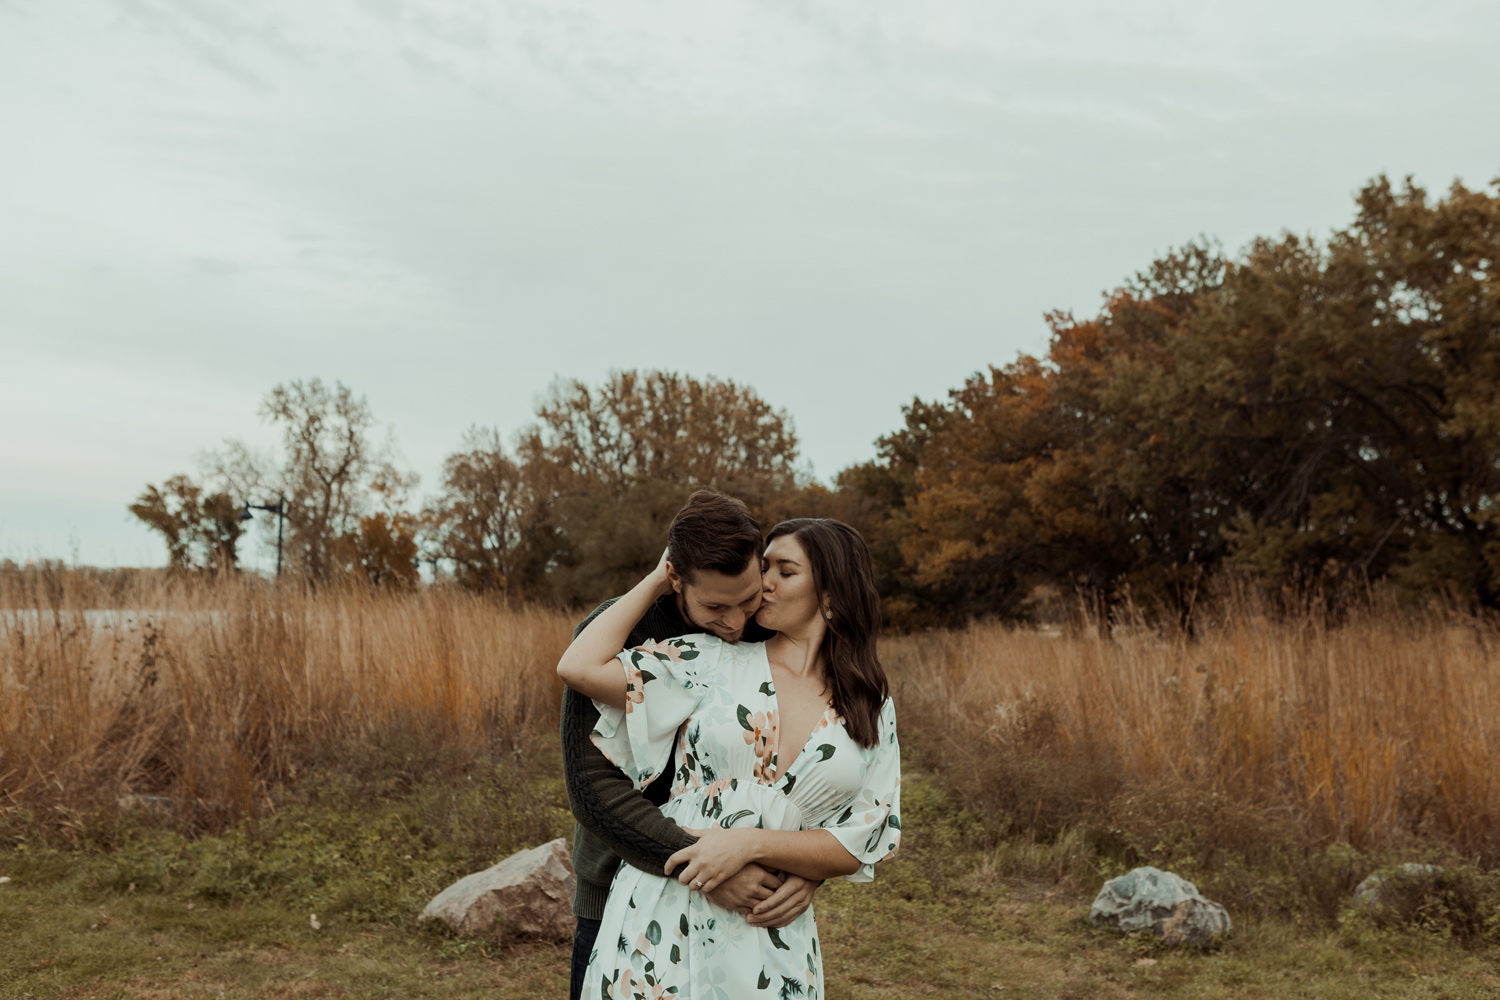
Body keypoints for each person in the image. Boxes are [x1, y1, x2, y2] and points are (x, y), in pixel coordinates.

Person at [558, 516, 902, 999]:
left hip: (770, 924)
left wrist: (774, 855)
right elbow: (578, 669)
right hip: (663, 895)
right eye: (766, 567)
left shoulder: (870, 704)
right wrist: (661, 575)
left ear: (832, 594)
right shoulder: (709, 657)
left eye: (784, 571)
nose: (762, 584)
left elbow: (860, 838)